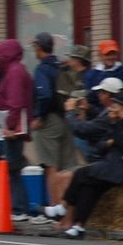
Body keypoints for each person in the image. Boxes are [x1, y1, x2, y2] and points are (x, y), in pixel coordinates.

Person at [50, 90, 123, 239]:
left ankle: (62, 207)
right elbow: (101, 146)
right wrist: (112, 136)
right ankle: (79, 227)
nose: (112, 107)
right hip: (113, 161)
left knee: (81, 173)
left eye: (115, 104)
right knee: (89, 186)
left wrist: (114, 131)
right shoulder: (116, 121)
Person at [29, 32, 80, 220]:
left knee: (51, 166)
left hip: (50, 120)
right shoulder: (61, 66)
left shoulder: (42, 69)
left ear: (39, 47)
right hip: (65, 117)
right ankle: (68, 207)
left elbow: (44, 95)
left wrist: (39, 116)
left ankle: (55, 204)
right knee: (67, 166)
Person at [0, 38, 33, 223]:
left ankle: (19, 208)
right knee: (12, 167)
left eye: (0, 53)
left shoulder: (14, 72)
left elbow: (15, 102)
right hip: (11, 126)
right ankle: (17, 206)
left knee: (13, 168)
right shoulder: (14, 70)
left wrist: (8, 125)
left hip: (12, 129)